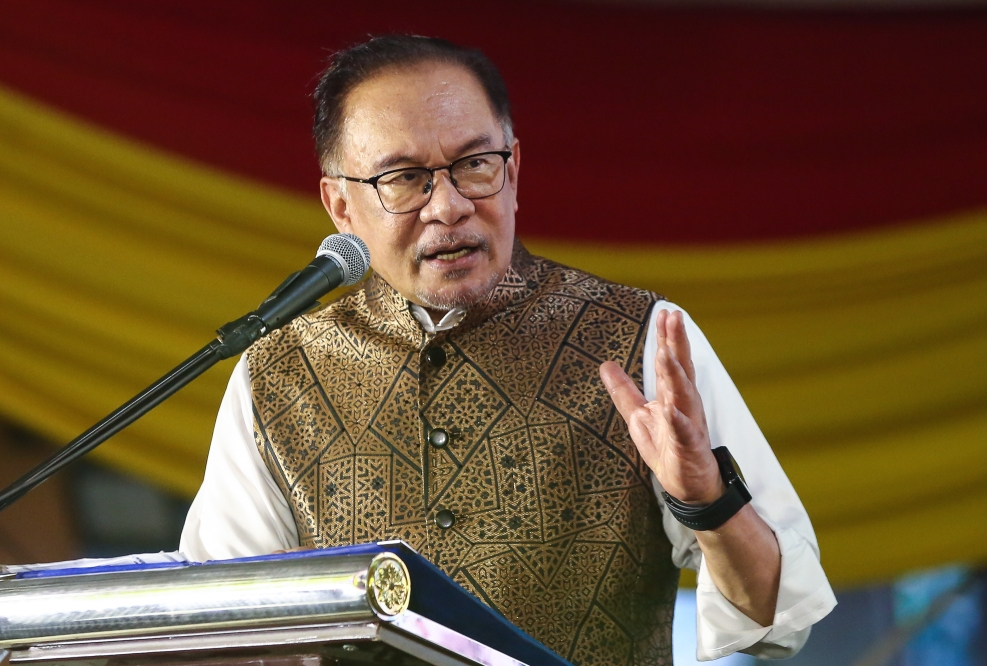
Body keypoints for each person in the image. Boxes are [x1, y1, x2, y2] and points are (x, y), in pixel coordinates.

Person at [180, 35, 836, 665]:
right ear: (340, 206)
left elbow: (783, 621)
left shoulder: (644, 339)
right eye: (405, 178)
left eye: (474, 165)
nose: (449, 205)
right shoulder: (278, 374)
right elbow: (215, 631)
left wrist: (710, 502)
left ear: (514, 170)